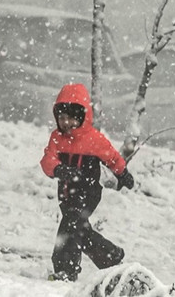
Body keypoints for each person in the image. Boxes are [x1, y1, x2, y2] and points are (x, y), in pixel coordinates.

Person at [40, 83, 135, 282]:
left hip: (87, 192)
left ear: (83, 117)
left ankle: (66, 269)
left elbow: (112, 157)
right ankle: (110, 255)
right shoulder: (57, 138)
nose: (66, 123)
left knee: (69, 230)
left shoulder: (93, 139)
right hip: (66, 193)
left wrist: (122, 173)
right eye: (62, 118)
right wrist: (58, 169)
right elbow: (48, 160)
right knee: (80, 230)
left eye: (72, 118)